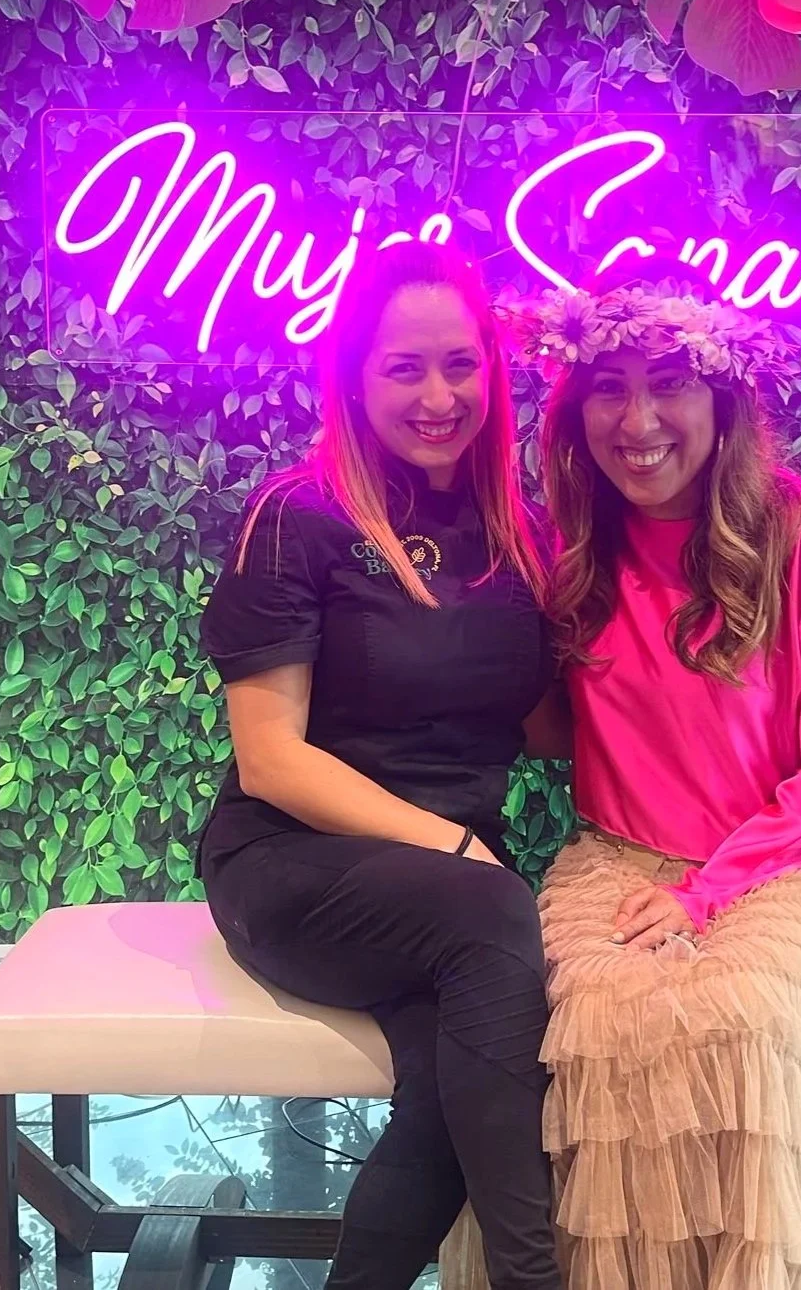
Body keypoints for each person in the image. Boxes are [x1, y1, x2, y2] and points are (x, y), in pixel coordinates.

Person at [449, 274, 801, 1290]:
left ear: (724, 399)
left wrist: (702, 894)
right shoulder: (572, 553)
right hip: (618, 856)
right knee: (576, 1019)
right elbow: (530, 708)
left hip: (794, 862)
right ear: (574, 405)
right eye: (608, 388)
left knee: (749, 1019)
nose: (637, 422)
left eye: (668, 382)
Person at [195, 239, 567, 1290]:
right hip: (293, 867)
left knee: (446, 1111)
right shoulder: (298, 517)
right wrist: (460, 851)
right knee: (496, 915)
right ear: (355, 376)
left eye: (460, 362)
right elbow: (270, 761)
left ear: (493, 370)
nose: (439, 394)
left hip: (446, 899)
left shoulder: (517, 532)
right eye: (404, 367)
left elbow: (545, 725)